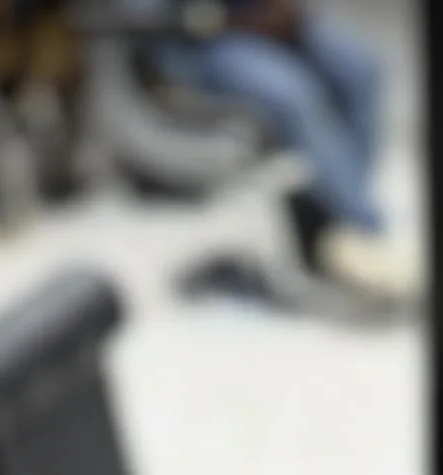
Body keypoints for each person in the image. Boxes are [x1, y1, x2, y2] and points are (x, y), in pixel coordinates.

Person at [148, 1, 417, 301]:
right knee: (295, 95)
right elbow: (152, 17)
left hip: (272, 21)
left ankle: (333, 218)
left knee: (361, 69)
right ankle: (363, 228)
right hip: (210, 39)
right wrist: (241, 21)